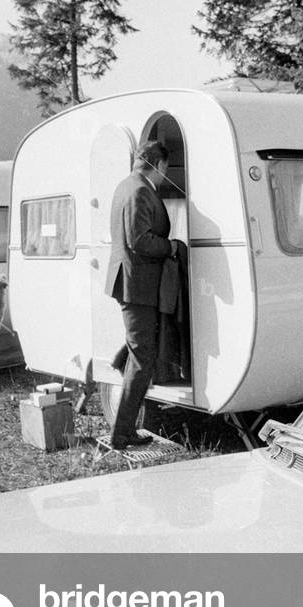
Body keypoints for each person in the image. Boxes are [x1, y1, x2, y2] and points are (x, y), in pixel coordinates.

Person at [104, 141, 178, 449]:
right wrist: (171, 246)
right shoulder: (139, 190)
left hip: (136, 283)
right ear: (159, 165)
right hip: (137, 284)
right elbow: (140, 240)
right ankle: (122, 433)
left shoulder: (127, 186)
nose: (165, 173)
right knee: (142, 357)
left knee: (140, 346)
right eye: (165, 168)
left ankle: (118, 364)